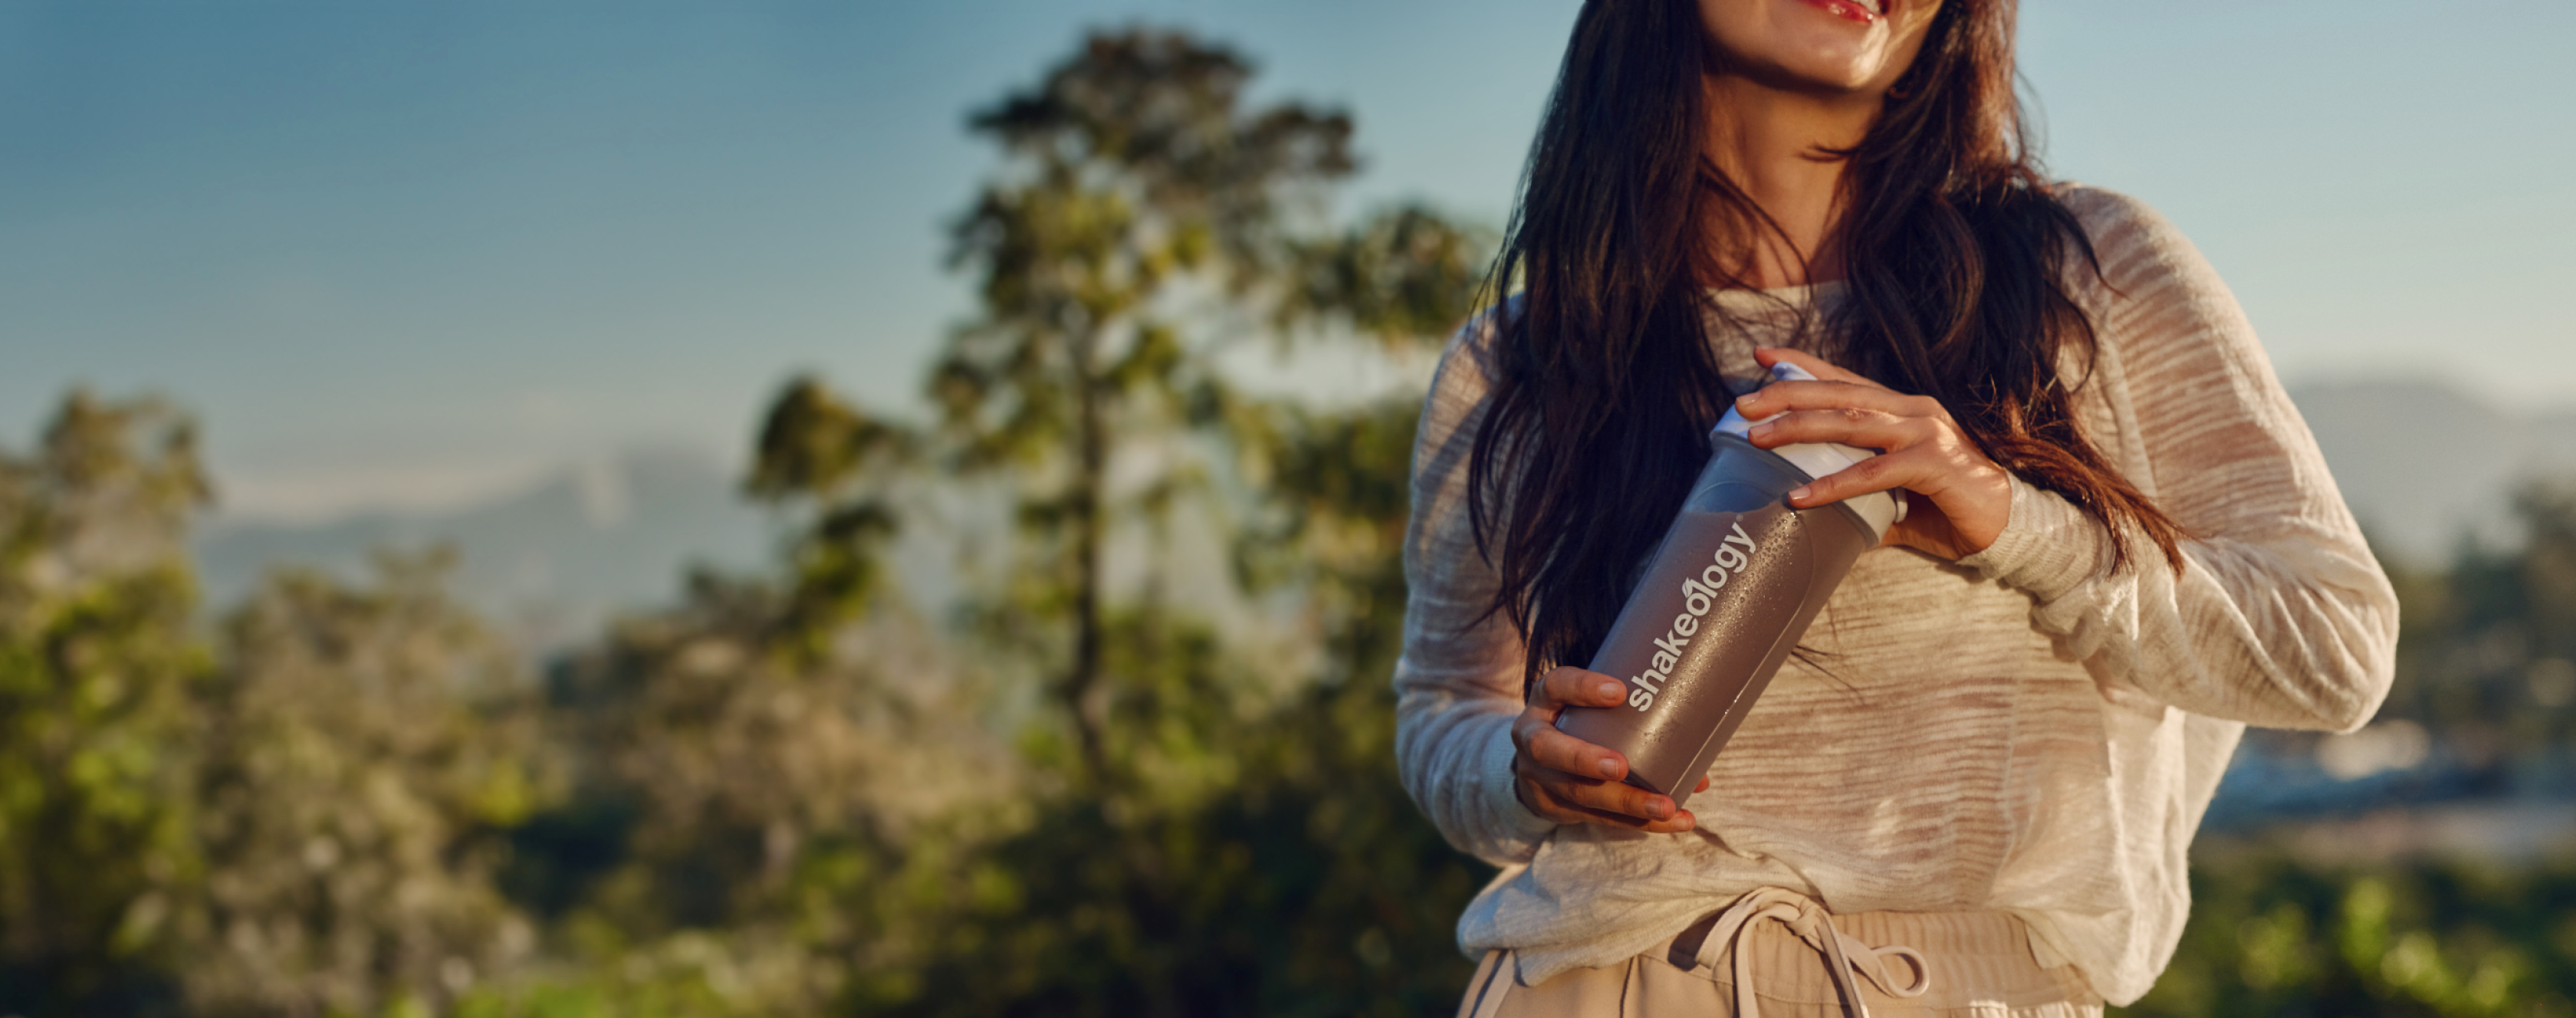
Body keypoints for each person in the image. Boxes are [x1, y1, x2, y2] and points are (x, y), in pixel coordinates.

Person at [1392, 0, 2400, 1015]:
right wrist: (1523, 777)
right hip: (1597, 984)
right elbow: (1445, 707)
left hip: (1965, 988)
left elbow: (2336, 652)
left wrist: (2017, 524)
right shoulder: (1519, 358)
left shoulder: (2086, 274)